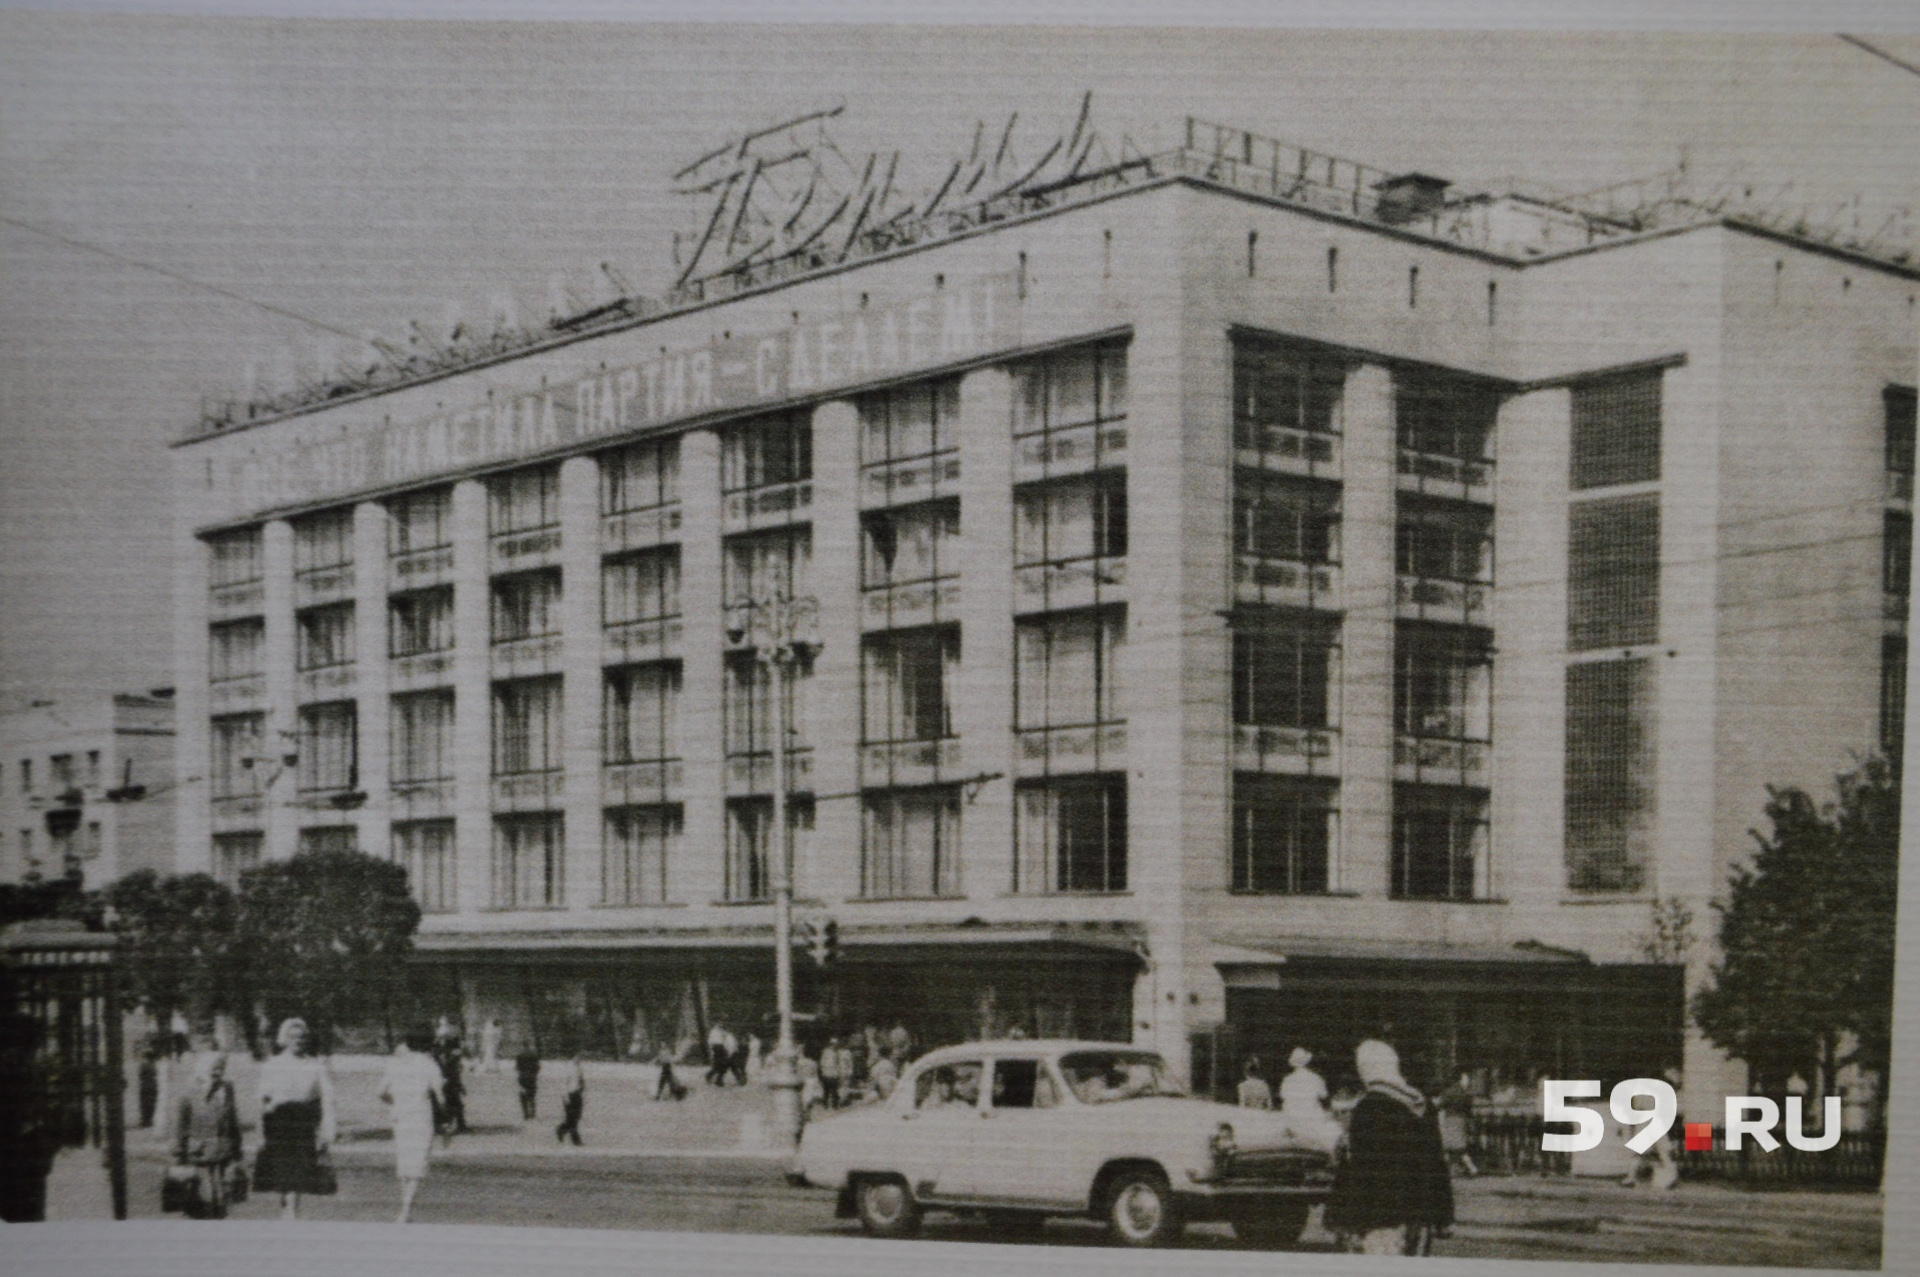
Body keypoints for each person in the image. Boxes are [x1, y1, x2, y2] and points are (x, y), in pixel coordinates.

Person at [1324, 1040, 1454, 1256]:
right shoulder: (1420, 1103)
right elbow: (1436, 1162)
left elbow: (1361, 1168)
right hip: (1419, 1213)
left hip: (1381, 1215)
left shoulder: (1370, 1107)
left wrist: (1343, 1215)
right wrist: (1444, 1216)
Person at [253, 1017, 337, 1220]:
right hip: (278, 1122)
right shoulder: (273, 1064)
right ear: (285, 1038)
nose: (298, 1041)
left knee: (297, 1173)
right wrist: (259, 1131)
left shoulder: (316, 1066)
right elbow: (261, 1100)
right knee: (282, 1172)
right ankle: (287, 1208)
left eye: (302, 1037)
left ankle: (292, 1212)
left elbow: (327, 1099)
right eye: (293, 1037)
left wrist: (328, 1130)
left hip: (303, 1123)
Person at [379, 1027, 443, 1223]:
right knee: (418, 1163)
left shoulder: (395, 1064)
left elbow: (380, 1092)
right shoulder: (431, 1065)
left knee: (404, 1162)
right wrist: (446, 1117)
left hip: (400, 1115)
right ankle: (406, 1210)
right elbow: (440, 1097)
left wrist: (395, 1103)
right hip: (422, 1116)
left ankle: (405, 1207)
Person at [172, 1051, 243, 1219]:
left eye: (221, 1069)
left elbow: (233, 1121)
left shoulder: (227, 1090)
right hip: (199, 1158)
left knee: (222, 1204)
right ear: (201, 1068)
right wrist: (178, 1157)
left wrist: (237, 1151)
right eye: (213, 1068)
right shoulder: (189, 1093)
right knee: (204, 1203)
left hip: (223, 1157)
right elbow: (180, 1128)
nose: (217, 1072)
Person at [1280, 1046, 1343, 1154]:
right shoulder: (1316, 1078)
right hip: (1312, 1119)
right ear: (1308, 1062)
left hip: (1293, 1120)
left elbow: (1284, 1098)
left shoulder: (1287, 1080)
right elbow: (1324, 1095)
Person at [1439, 1073, 1479, 1178]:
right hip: (1461, 1120)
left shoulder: (1447, 1092)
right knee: (1459, 1148)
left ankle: (1467, 1169)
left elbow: (1440, 1106)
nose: (1467, 1082)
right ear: (1460, 1080)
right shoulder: (1465, 1094)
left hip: (1449, 1120)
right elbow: (1469, 1110)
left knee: (1449, 1148)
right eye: (1466, 1080)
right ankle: (1471, 1168)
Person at [433, 1035, 468, 1137]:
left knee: (456, 1104)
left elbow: (455, 1073)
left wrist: (460, 1085)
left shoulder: (449, 1057)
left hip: (450, 1083)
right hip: (443, 1082)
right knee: (443, 1104)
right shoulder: (438, 1057)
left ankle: (460, 1125)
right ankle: (440, 1125)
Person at [555, 1056, 586, 1145]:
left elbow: (581, 1082)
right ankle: (576, 1140)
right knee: (572, 1118)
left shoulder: (579, 1068)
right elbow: (564, 1084)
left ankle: (561, 1129)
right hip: (570, 1095)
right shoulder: (568, 1068)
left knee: (575, 1117)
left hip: (577, 1094)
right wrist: (566, 1097)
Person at [819, 1037, 850, 1109]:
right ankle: (825, 1104)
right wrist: (823, 1071)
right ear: (830, 1044)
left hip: (835, 1073)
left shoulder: (838, 1052)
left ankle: (834, 1105)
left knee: (834, 1090)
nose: (834, 1045)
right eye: (833, 1044)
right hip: (827, 1072)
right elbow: (822, 1062)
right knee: (826, 1090)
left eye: (836, 1044)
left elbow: (839, 1063)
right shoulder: (826, 1052)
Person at [138, 1041, 161, 1129]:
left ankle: (145, 1120)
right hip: (153, 1085)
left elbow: (141, 1075)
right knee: (151, 1103)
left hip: (144, 1086)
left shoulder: (143, 1065)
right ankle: (149, 1120)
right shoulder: (154, 1065)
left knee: (144, 1103)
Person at [514, 1045, 541, 1120]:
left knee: (523, 1095)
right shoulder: (534, 1056)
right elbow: (538, 1067)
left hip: (523, 1077)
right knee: (532, 1096)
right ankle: (532, 1113)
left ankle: (525, 1114)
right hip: (532, 1077)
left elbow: (517, 1067)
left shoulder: (519, 1055)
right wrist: (534, 1074)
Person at [706, 1023, 734, 1087]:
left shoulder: (724, 1032)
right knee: (722, 1064)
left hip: (722, 1048)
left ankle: (713, 1076)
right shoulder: (714, 1031)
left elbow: (727, 1042)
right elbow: (711, 1042)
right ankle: (717, 1079)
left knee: (722, 1065)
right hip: (718, 1048)